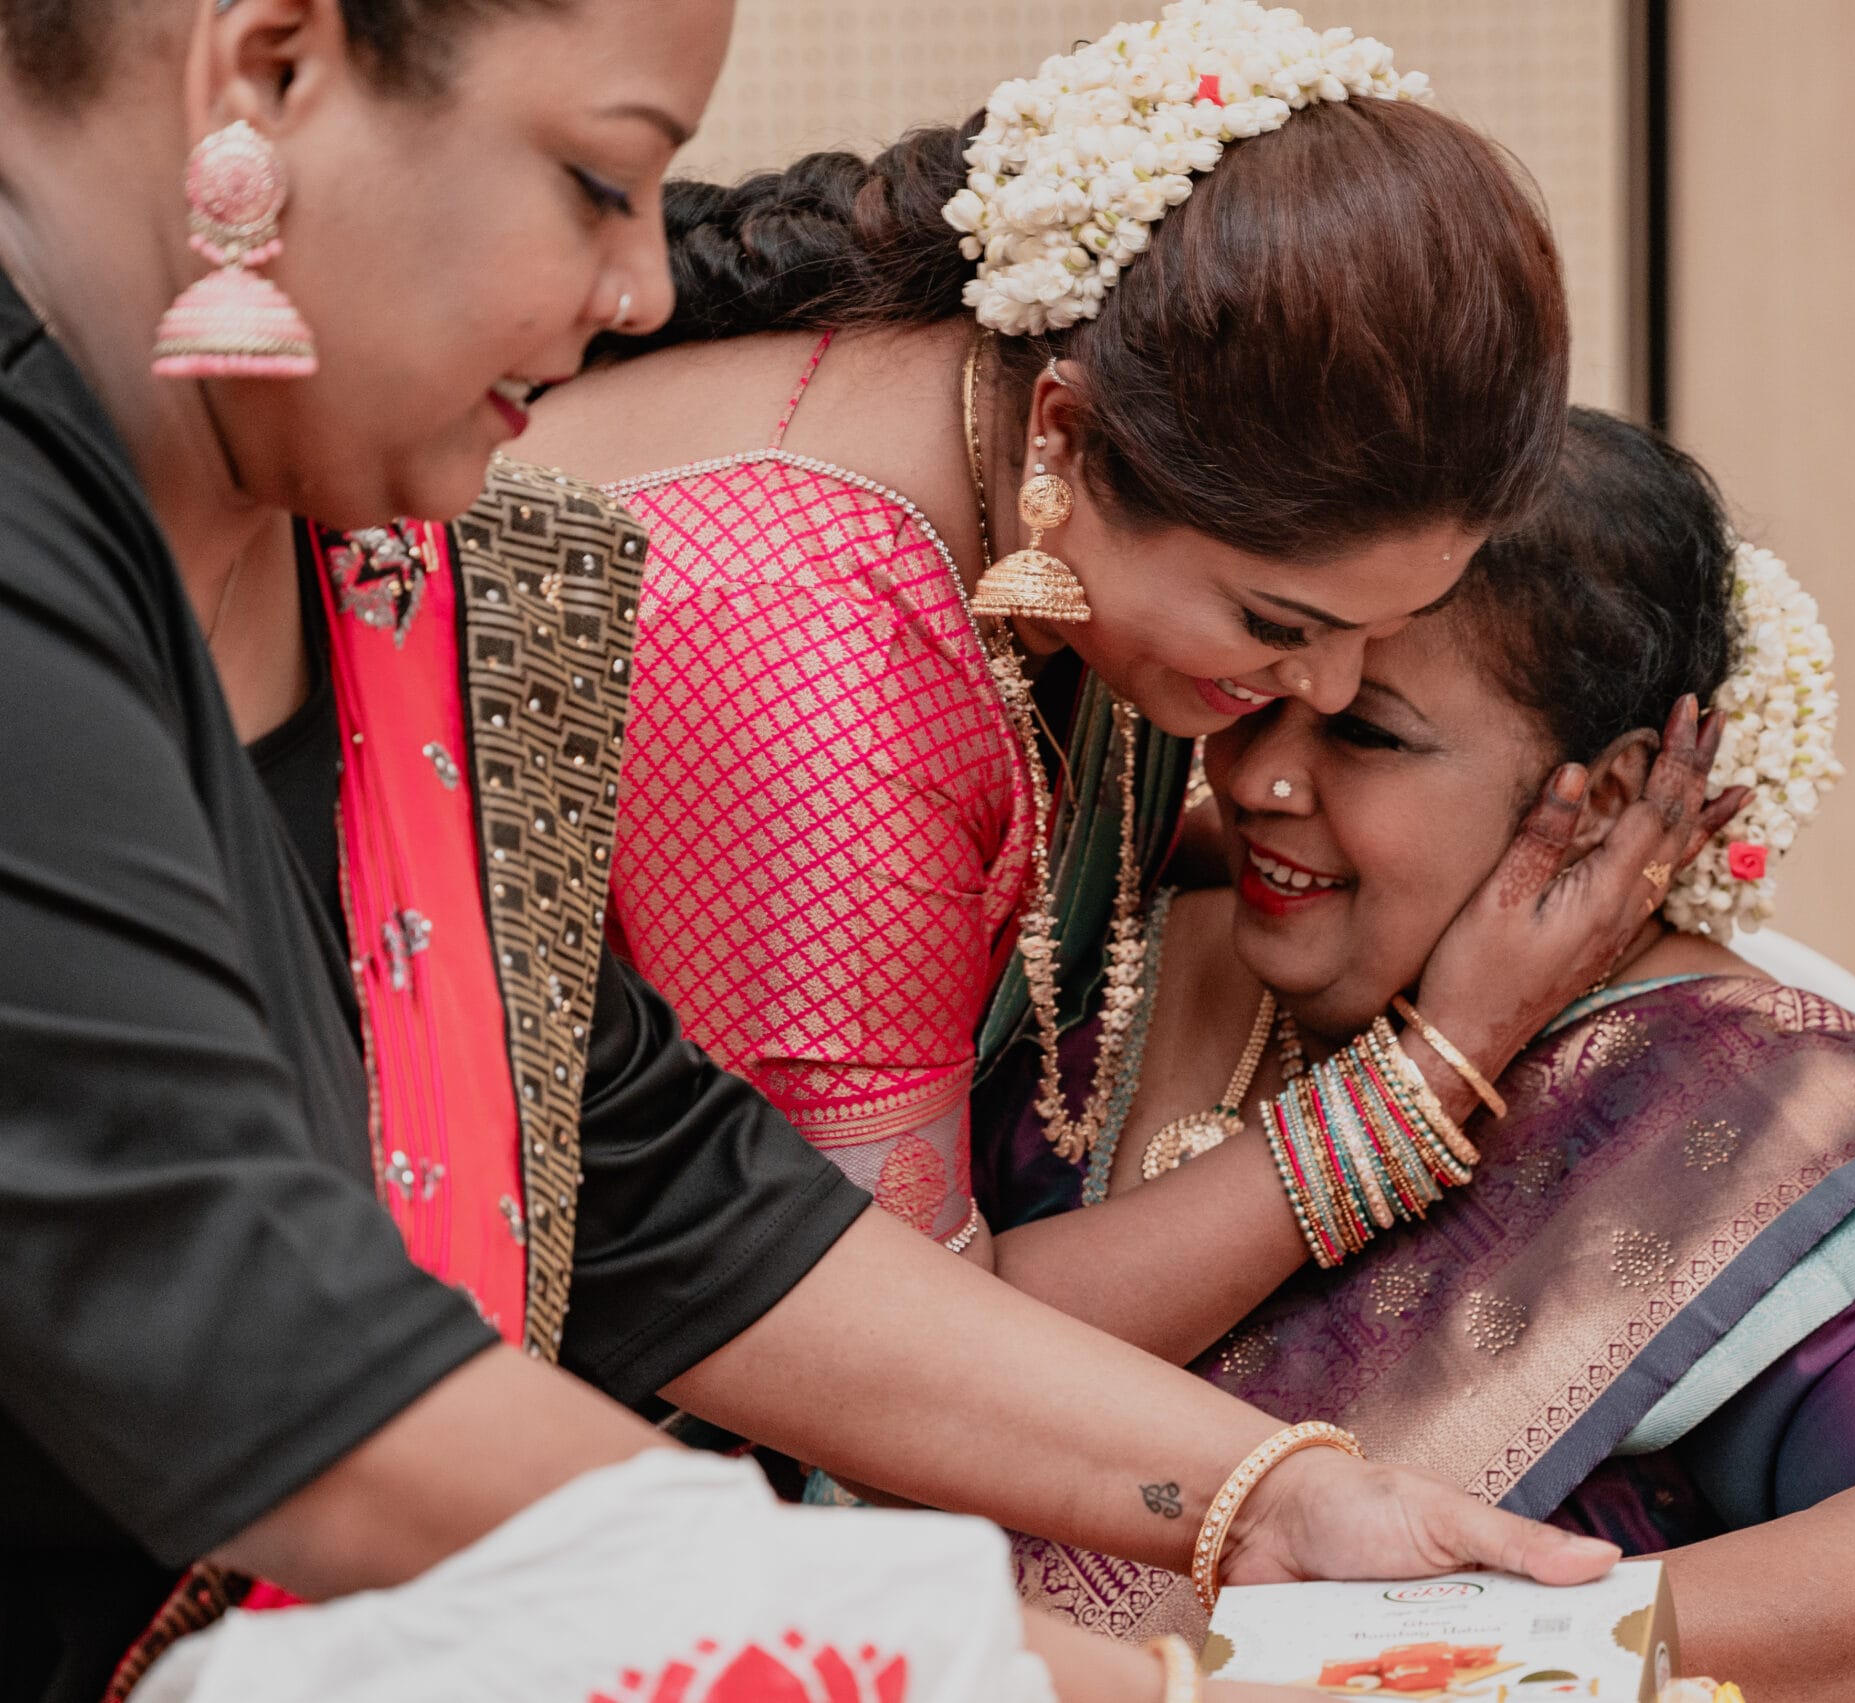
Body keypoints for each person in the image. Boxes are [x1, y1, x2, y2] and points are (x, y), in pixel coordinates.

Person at [0, 6, 1703, 1699]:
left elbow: (653, 1178)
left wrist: (1270, 1491)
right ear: (270, 67)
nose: (641, 287)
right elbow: (253, 1336)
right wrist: (1115, 1684)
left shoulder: (371, 553)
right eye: (597, 179)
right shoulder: (53, 546)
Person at [973, 412, 1855, 1703]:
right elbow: (881, 1339)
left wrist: (1428, 1651)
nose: (1262, 778)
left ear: (1608, 794)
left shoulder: (1727, 1106)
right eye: (1261, 692)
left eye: (1367, 734)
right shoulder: (1109, 952)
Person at [515, 1, 1601, 1257]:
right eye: (1277, 621)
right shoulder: (814, 667)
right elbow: (882, 1329)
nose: (1325, 682)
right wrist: (1425, 1077)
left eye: (1382, 633)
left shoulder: (967, 385)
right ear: (1066, 436)